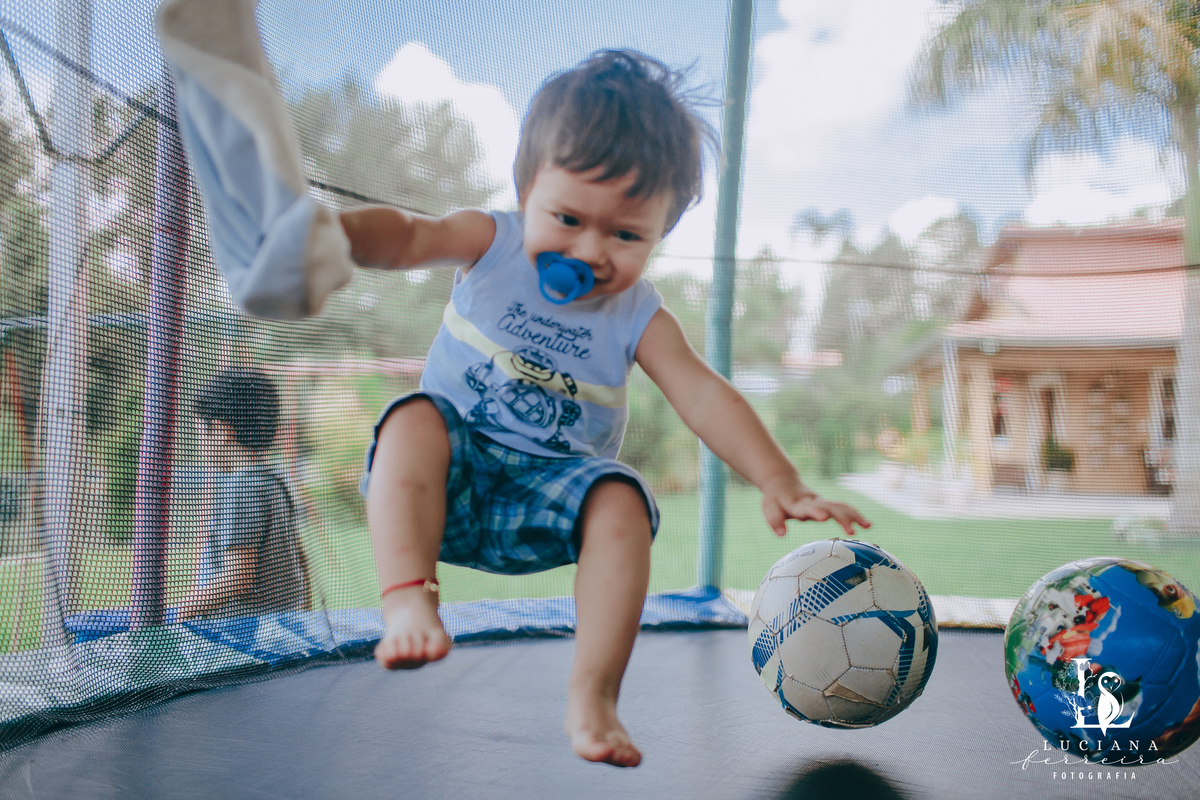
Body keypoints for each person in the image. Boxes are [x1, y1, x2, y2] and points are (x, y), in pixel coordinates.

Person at [348, 50, 871, 768]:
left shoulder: (637, 313)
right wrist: (332, 238)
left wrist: (779, 479)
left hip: (549, 493)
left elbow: (701, 392)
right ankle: (408, 599)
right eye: (568, 218)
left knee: (622, 495)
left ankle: (593, 695)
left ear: (659, 234)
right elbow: (409, 236)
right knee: (413, 418)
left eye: (627, 236)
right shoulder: (490, 242)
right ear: (528, 188)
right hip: (448, 479)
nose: (591, 251)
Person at [179, 367, 309, 620]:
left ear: (221, 431)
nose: (199, 445)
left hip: (245, 636)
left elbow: (238, 577)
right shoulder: (275, 481)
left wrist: (184, 610)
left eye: (199, 434)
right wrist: (304, 613)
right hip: (285, 628)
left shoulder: (240, 488)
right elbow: (299, 559)